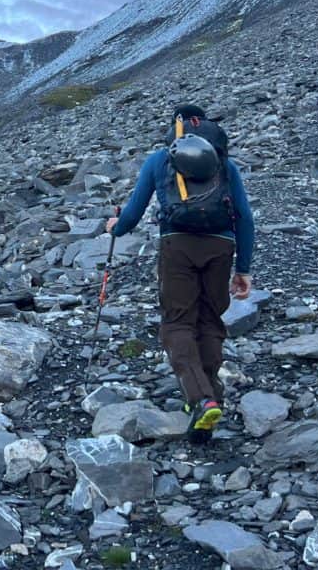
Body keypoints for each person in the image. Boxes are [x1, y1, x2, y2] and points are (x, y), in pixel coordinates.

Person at [105, 103, 254, 443]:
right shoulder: (226, 165)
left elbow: (133, 214)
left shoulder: (159, 160)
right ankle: (211, 392)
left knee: (177, 321)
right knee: (209, 319)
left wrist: (115, 227)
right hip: (221, 246)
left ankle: (201, 399)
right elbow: (244, 216)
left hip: (177, 245)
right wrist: (243, 268)